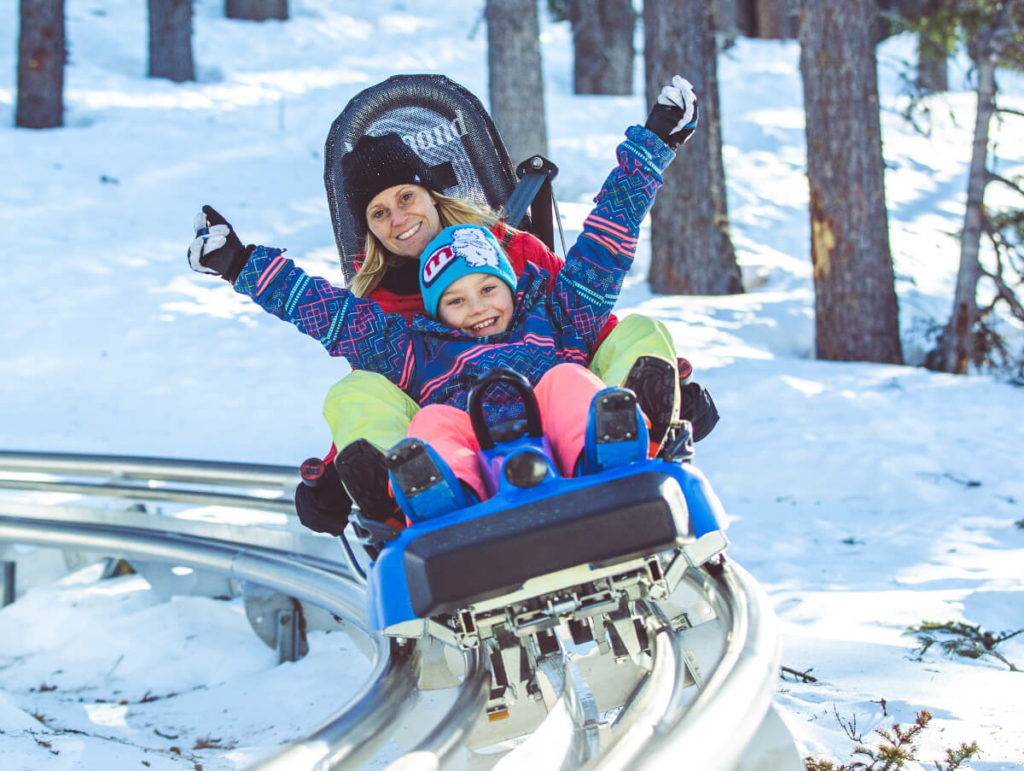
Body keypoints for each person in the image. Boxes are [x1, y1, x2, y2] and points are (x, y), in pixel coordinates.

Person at [188, 75, 717, 534]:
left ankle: (628, 430)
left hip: (567, 428)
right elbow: (331, 320)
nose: (397, 219)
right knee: (422, 420)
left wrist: (652, 146)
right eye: (378, 213)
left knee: (588, 367)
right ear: (433, 313)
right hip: (466, 435)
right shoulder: (410, 337)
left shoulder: (535, 284)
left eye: (405, 198)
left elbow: (604, 253)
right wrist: (239, 263)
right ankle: (422, 489)